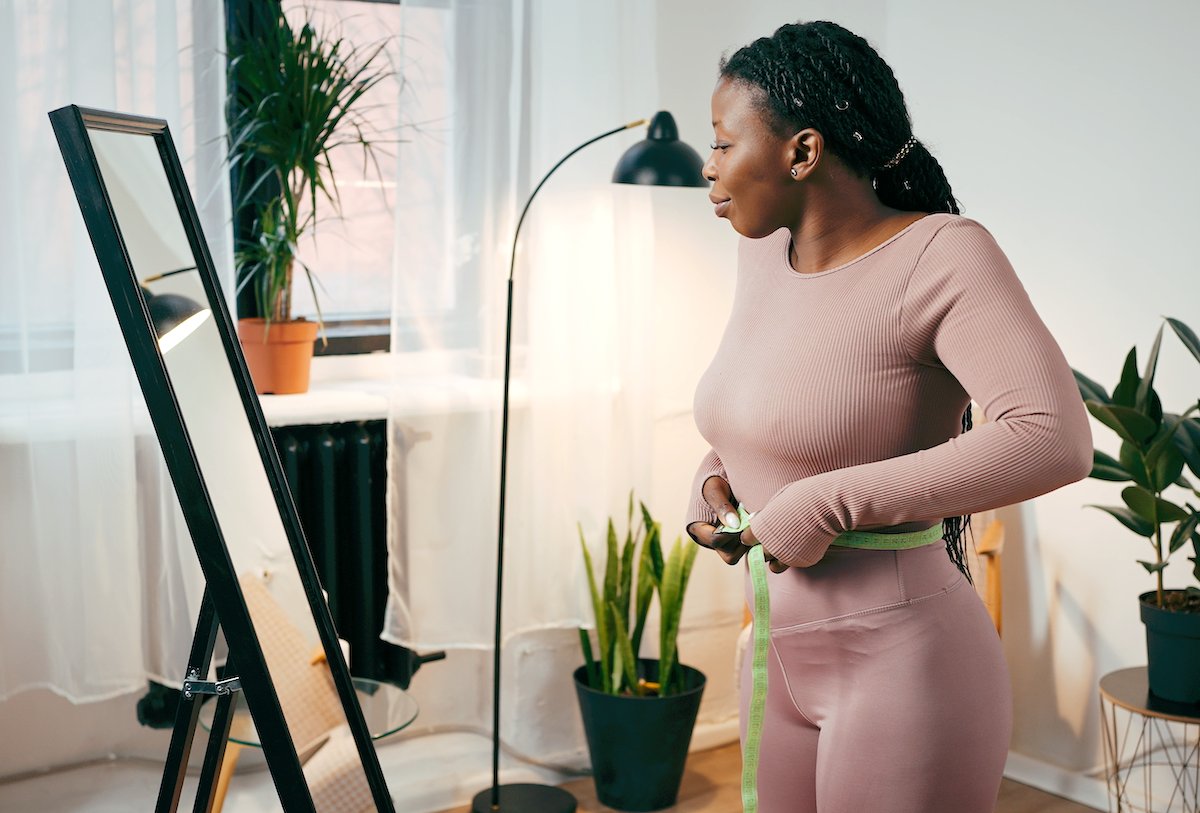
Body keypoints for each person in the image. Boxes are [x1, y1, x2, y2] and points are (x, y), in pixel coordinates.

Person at [684, 20, 1093, 813]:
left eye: (724, 143)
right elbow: (769, 411)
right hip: (773, 654)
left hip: (905, 663)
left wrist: (825, 502)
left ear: (802, 153)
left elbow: (1053, 436)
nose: (708, 167)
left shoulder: (945, 254)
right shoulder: (762, 252)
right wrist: (716, 480)